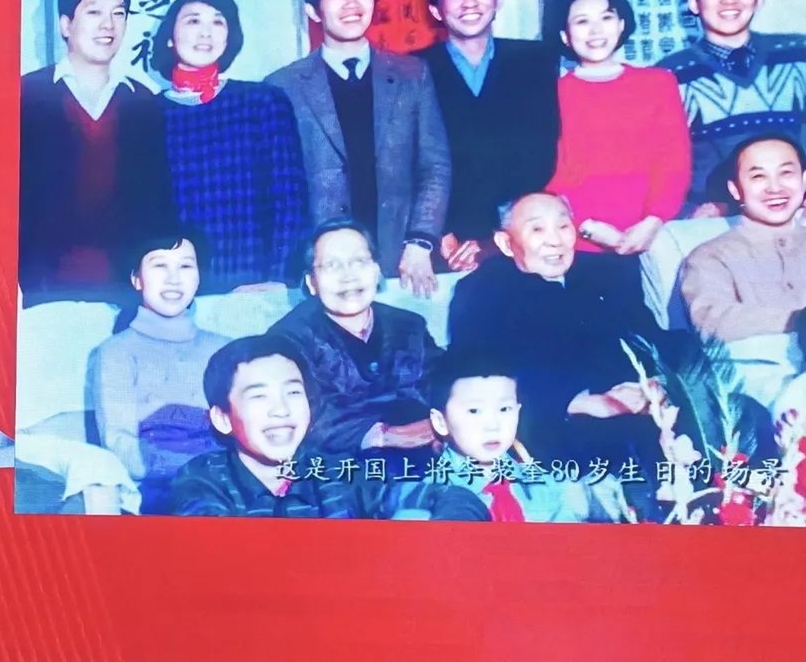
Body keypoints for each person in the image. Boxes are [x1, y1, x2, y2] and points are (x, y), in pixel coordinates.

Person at [265, 0, 451, 297]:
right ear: (313, 11)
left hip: (400, 259)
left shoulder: (412, 75)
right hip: (320, 267)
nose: (352, 4)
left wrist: (420, 241)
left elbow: (435, 165)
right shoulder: (282, 86)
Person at [447, 192, 666, 480]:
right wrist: (579, 402)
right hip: (554, 423)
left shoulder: (607, 272)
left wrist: (660, 383)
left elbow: (650, 338)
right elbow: (475, 373)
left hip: (644, 409)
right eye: (537, 229)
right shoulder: (481, 291)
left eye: (563, 226)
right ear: (505, 242)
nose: (555, 240)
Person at [168, 334, 489, 520]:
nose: (281, 410)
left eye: (293, 393)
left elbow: (447, 497)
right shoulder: (200, 481)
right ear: (223, 418)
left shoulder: (338, 471)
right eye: (259, 397)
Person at [19, 0, 173, 305]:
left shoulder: (143, 101)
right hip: (41, 287)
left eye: (119, 13)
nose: (108, 25)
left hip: (125, 287)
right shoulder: (25, 94)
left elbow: (158, 201)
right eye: (94, 12)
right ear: (66, 25)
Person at [151, 0, 309, 293]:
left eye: (218, 21)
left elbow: (290, 201)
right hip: (176, 287)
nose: (206, 32)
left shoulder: (262, 102)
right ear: (170, 37)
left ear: (229, 37)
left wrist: (278, 279)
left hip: (256, 283)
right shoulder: (147, 113)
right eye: (193, 20)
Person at [414, 0, 560, 271]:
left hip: (521, 232)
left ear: (499, 0)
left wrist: (503, 234)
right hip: (445, 239)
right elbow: (409, 163)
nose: (470, 2)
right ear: (436, 10)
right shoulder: (411, 71)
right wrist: (441, 233)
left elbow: (543, 152)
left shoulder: (535, 61)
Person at [268, 219, 444, 463]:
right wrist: (383, 436)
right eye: (332, 265)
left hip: (428, 458)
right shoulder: (287, 339)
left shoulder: (410, 325)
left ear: (376, 271)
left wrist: (447, 424)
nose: (348, 276)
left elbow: (442, 384)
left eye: (360, 262)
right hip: (338, 469)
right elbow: (299, 418)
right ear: (311, 282)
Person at [391, 347, 630, 523]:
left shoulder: (546, 485)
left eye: (504, 409)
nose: (493, 425)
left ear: (518, 412)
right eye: (474, 411)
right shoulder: (425, 497)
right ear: (440, 422)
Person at [545, 0, 690, 265]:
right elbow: (553, 173)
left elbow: (674, 159)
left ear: (622, 24)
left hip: (656, 233)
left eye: (606, 18)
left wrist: (654, 219)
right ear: (565, 36)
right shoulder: (551, 94)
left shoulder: (658, 83)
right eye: (582, 21)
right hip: (579, 240)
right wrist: (587, 226)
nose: (596, 30)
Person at [90, 228, 230, 514]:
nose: (173, 278)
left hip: (231, 476)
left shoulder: (226, 348)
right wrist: (196, 468)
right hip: (168, 486)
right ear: (136, 279)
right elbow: (119, 442)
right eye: (160, 266)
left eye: (185, 266)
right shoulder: (115, 352)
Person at [656, 0, 806, 217]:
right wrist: (690, 211)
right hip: (711, 221)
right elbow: (656, 163)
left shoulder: (798, 54)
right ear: (694, 4)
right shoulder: (667, 75)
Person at [681, 134, 806, 343]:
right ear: (735, 190)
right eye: (758, 177)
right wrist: (796, 320)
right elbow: (712, 322)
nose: (775, 188)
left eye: (786, 173)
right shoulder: (711, 256)